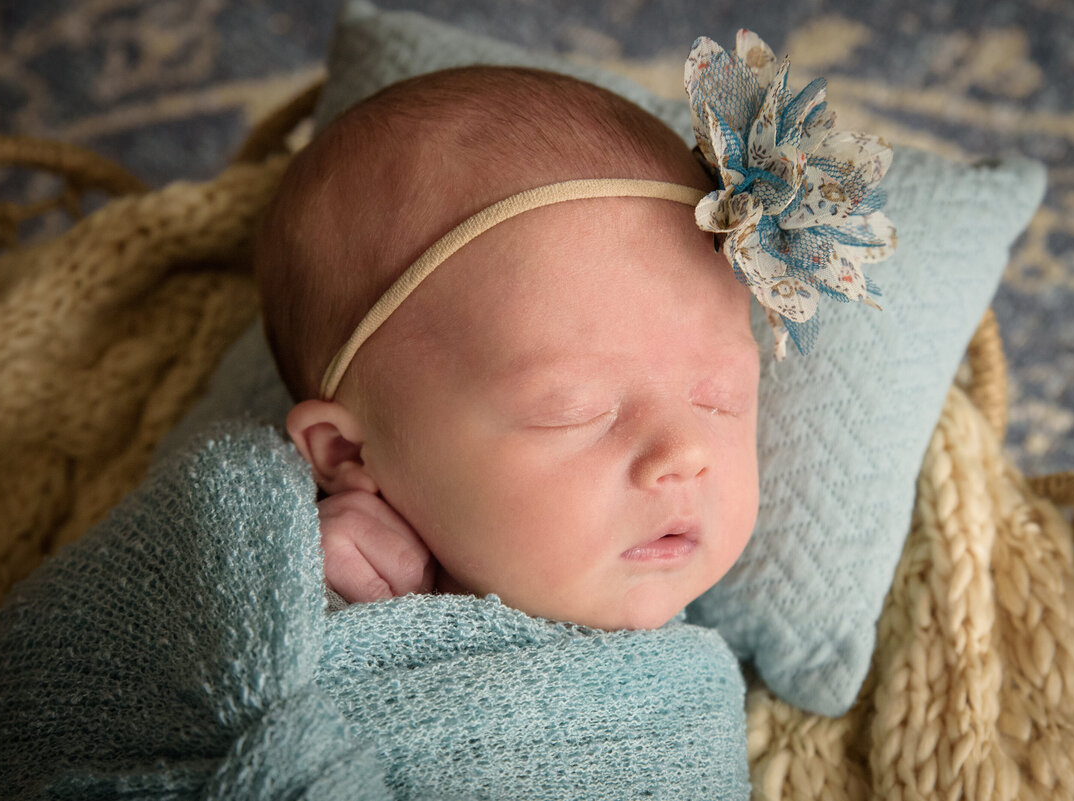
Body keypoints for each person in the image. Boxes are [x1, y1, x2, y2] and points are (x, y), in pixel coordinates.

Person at [255, 65, 762, 631]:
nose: (686, 453)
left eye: (723, 398)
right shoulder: (287, 582)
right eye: (573, 411)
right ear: (347, 454)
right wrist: (286, 576)